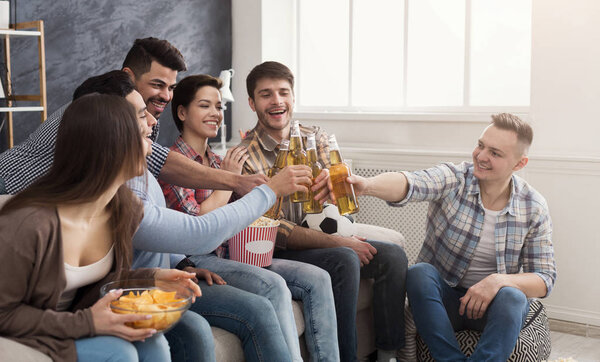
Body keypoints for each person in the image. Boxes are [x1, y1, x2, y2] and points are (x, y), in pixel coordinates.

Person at [71, 70, 299, 362]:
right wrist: (270, 190)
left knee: (257, 301)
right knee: (210, 324)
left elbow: (168, 233)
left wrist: (181, 262)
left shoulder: (140, 171)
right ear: (111, 124)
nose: (154, 121)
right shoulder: (117, 193)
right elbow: (197, 230)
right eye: (142, 114)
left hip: (165, 276)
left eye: (218, 106)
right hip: (134, 294)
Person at [0, 94, 201, 362]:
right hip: (25, 331)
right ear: (111, 148)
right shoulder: (29, 224)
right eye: (143, 138)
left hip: (70, 322)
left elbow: (90, 287)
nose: (151, 149)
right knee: (120, 354)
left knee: (154, 344)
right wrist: (87, 323)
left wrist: (149, 278)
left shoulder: (121, 207)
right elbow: (5, 313)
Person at [159, 74, 340, 361]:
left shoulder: (219, 160)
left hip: (232, 252)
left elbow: (245, 217)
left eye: (219, 107)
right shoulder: (171, 163)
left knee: (316, 277)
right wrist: (230, 180)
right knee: (273, 285)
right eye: (205, 106)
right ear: (182, 112)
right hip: (198, 257)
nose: (215, 114)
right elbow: (196, 226)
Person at [347, 113, 557, 361]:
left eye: (495, 153)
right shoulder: (455, 178)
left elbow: (544, 278)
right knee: (420, 273)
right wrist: (367, 185)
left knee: (513, 295)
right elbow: (412, 183)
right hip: (446, 304)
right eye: (480, 145)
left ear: (519, 164)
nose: (481, 156)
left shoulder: (533, 206)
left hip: (494, 307)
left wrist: (497, 281)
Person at [238, 61, 408, 362]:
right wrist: (339, 242)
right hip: (281, 249)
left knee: (392, 257)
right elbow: (270, 229)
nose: (276, 100)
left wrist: (337, 189)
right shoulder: (247, 158)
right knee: (344, 258)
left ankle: (387, 355)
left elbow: (345, 200)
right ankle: (346, 357)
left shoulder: (316, 138)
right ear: (252, 103)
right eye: (266, 94)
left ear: (292, 97)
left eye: (283, 92)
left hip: (322, 234)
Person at [0, 37, 266, 196]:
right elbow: (164, 163)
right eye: (158, 85)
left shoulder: (145, 118)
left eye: (171, 88)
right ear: (129, 76)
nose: (166, 96)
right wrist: (236, 181)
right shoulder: (101, 108)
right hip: (9, 193)